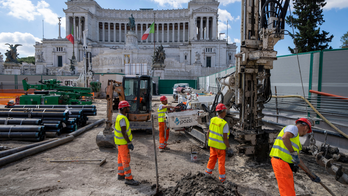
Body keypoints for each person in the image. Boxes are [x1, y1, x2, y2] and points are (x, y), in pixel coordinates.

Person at [270, 118, 321, 196]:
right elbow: (285, 137)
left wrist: (310, 173)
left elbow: (298, 160)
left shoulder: (296, 140)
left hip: (284, 164)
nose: (306, 133)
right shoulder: (293, 128)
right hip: (281, 162)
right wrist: (293, 153)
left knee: (288, 190)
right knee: (288, 192)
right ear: (305, 127)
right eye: (307, 131)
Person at [205, 103, 233, 183]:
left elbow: (208, 132)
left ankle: (207, 173)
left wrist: (207, 141)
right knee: (221, 163)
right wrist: (229, 147)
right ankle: (222, 179)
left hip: (212, 145)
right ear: (223, 111)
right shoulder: (224, 124)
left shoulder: (212, 119)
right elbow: (225, 138)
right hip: (220, 147)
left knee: (212, 159)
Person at [115, 100, 140, 186]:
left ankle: (121, 174)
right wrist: (129, 142)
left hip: (119, 142)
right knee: (126, 160)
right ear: (124, 108)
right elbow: (124, 132)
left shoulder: (119, 116)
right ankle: (128, 179)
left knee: (120, 159)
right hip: (123, 142)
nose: (129, 108)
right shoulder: (122, 118)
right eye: (127, 107)